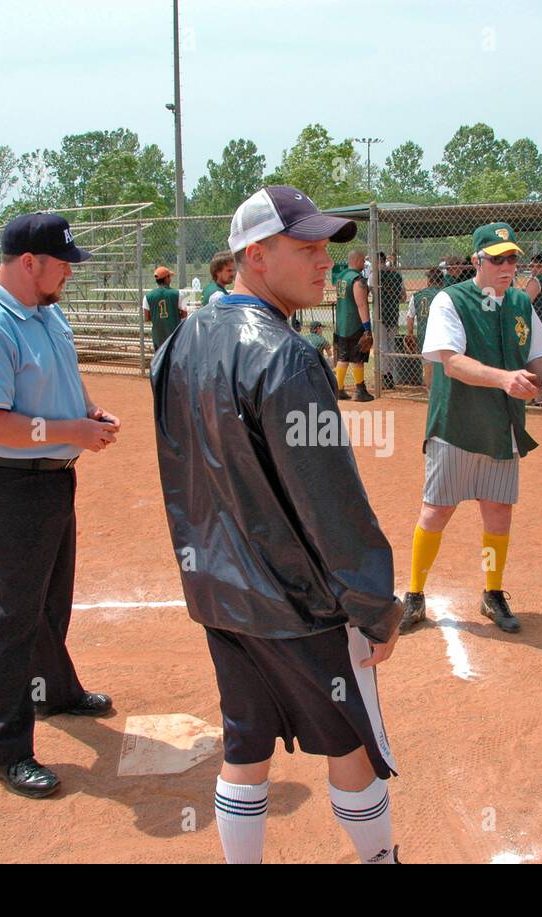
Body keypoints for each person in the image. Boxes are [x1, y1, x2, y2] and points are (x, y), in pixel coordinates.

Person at [151, 185, 403, 865]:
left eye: (326, 247)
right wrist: (375, 604)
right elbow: (331, 504)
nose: (325, 260)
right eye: (307, 247)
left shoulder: (181, 341)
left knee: (245, 744)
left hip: (219, 592)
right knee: (351, 745)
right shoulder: (286, 355)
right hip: (298, 603)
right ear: (254, 256)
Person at [0, 212, 120, 799]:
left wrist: (86, 414)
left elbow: (61, 381)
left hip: (51, 482)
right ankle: (8, 750)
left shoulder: (46, 311)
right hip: (4, 489)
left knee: (50, 602)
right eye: (63, 265)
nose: (69, 274)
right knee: (10, 619)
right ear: (29, 263)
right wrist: (70, 427)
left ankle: (56, 693)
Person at [399, 222, 542, 636]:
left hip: (503, 426)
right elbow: (451, 363)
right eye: (497, 259)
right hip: (457, 423)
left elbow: (537, 358)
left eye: (512, 259)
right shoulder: (451, 300)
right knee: (437, 510)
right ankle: (414, 595)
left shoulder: (522, 302)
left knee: (498, 512)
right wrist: (505, 379)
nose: (507, 266)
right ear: (476, 261)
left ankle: (492, 592)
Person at [332, 248, 374, 402]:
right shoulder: (357, 279)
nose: (364, 263)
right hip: (355, 323)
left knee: (343, 356)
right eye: (362, 260)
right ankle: (360, 390)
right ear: (356, 261)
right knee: (358, 357)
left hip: (341, 323)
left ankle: (339, 389)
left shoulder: (341, 276)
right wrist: (367, 328)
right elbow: (361, 305)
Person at [406, 265, 444, 389]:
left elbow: (410, 317)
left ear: (429, 281)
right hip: (441, 334)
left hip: (424, 334)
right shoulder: (445, 294)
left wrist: (410, 333)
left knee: (428, 365)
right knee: (443, 365)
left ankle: (431, 393)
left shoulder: (416, 295)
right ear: (441, 281)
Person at [376, 252, 406, 385]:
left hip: (380, 315)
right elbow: (403, 297)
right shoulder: (397, 275)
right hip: (393, 313)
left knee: (383, 346)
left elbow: (372, 293)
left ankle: (384, 375)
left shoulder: (375, 275)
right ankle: (390, 376)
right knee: (391, 345)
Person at [143, 266, 187, 352]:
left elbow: (147, 318)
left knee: (159, 359)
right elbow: (185, 314)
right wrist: (173, 316)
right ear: (166, 279)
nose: (170, 279)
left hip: (158, 335)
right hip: (174, 333)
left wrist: (158, 318)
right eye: (169, 277)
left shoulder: (147, 296)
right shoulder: (179, 294)